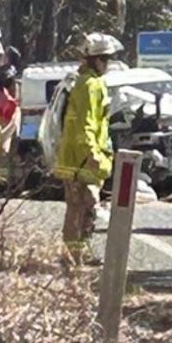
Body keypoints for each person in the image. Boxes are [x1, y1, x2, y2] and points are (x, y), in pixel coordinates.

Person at [54, 32, 120, 265]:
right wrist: (92, 155)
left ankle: (79, 253)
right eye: (106, 59)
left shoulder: (91, 83)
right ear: (96, 60)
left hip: (83, 159)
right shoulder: (89, 85)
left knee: (86, 207)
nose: (108, 64)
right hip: (80, 160)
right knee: (80, 206)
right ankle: (72, 256)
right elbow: (85, 124)